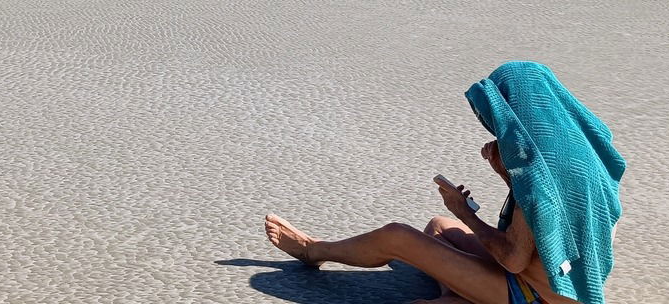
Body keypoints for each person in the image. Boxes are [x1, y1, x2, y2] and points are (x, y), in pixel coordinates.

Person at [265, 61, 624, 304]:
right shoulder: (576, 154)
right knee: (438, 227)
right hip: (564, 284)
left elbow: (515, 259)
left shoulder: (542, 178)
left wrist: (466, 215)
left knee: (398, 236)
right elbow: (551, 230)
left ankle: (313, 251)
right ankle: (463, 293)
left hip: (534, 294)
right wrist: (507, 175)